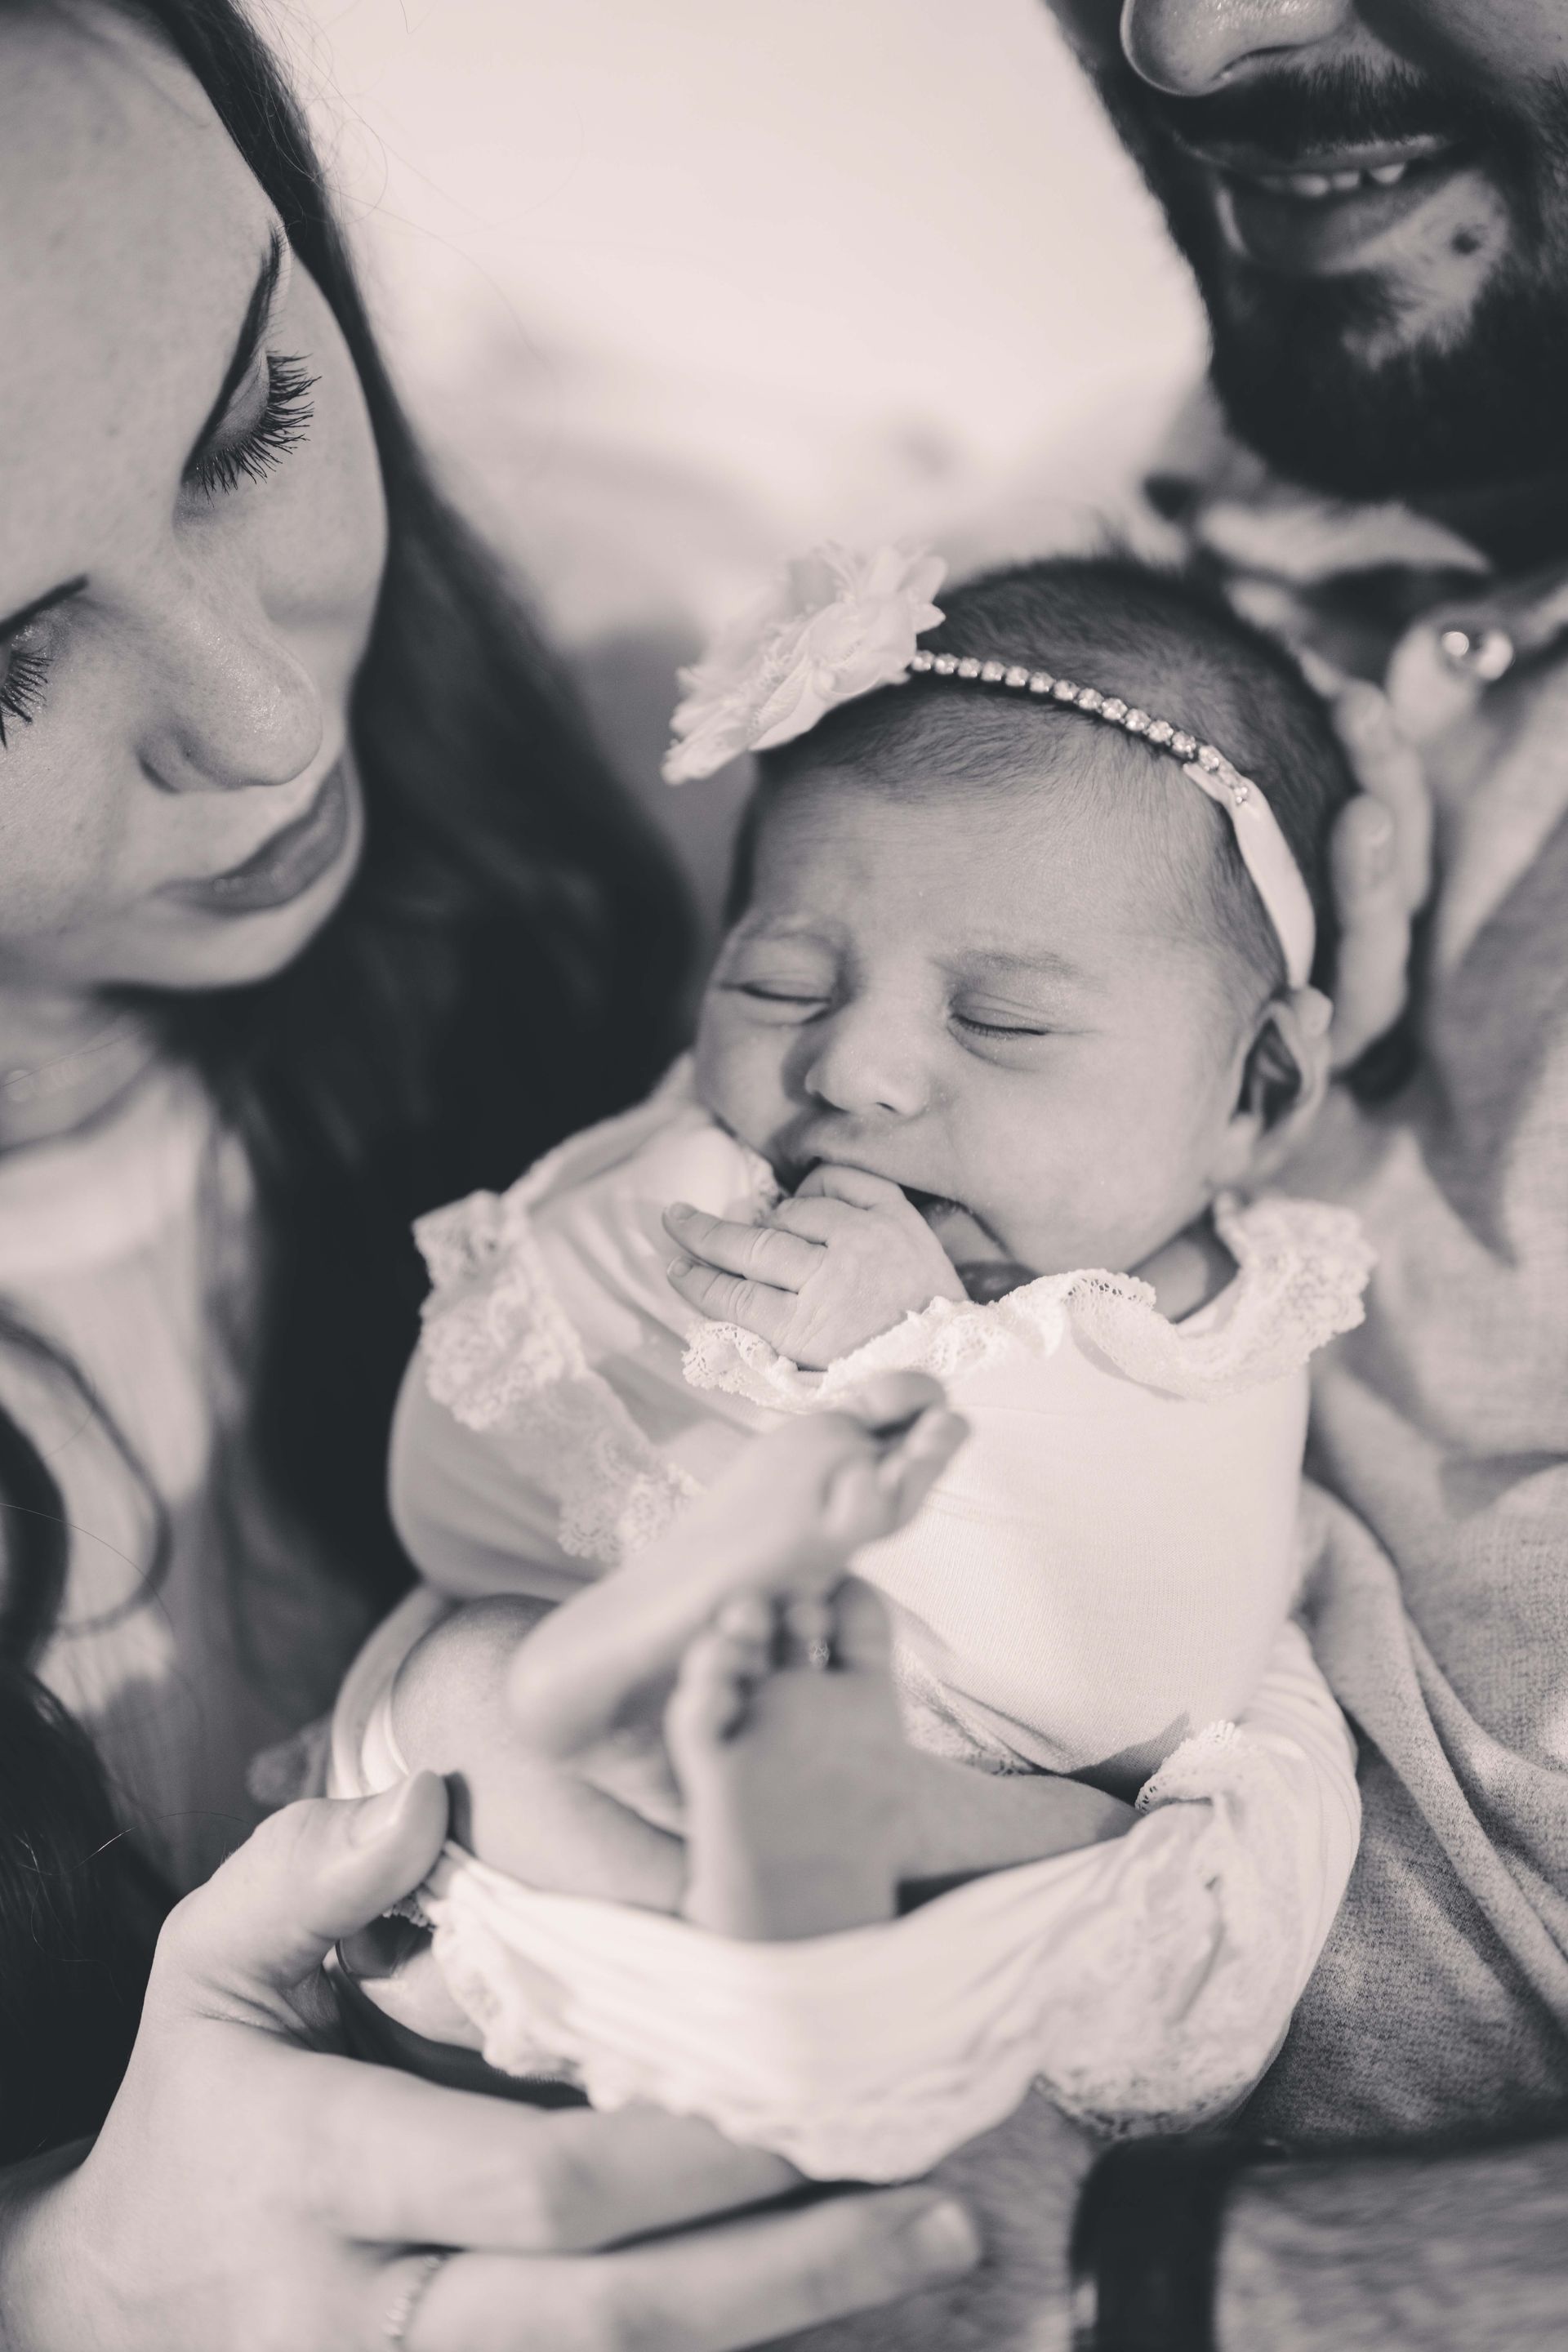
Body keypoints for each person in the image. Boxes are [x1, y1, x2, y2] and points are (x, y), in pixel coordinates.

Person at [0, 3, 991, 2342]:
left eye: (252, 423)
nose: (268, 724)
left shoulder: (696, 808)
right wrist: (64, 2279)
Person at [334, 548, 1369, 2180]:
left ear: (1258, 1089)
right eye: (783, 983)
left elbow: (1116, 1678)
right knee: (462, 1680)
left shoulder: (1204, 1316)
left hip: (996, 1861)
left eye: (1004, 1021)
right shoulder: (696, 1176)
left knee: (1159, 1843)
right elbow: (454, 1492)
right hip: (597, 1906)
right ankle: (719, 1905)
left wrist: (913, 1353)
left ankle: (836, 1843)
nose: (858, 1068)